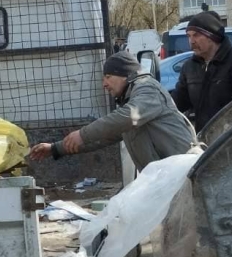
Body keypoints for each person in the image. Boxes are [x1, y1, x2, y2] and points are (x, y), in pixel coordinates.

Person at [29, 51, 198, 171]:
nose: (104, 84)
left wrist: (82, 134)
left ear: (125, 75)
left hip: (184, 173)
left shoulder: (147, 89)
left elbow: (129, 116)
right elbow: (104, 137)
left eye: (108, 77)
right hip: (167, 176)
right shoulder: (132, 97)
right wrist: (56, 148)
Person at [172, 12, 232, 132]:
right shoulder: (189, 67)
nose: (191, 41)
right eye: (189, 36)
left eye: (197, 35)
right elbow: (177, 103)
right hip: (205, 141)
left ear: (212, 36)